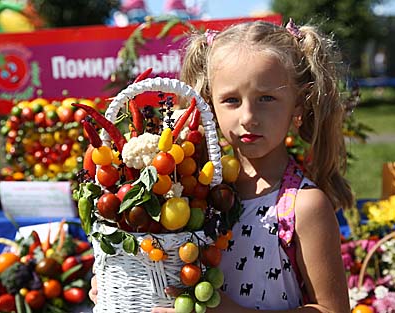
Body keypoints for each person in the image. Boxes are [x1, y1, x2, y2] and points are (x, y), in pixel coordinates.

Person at [90, 18, 353, 312]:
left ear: (299, 104)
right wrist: (119, 275)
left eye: (267, 98)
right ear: (208, 103)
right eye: (230, 100)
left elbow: (332, 309)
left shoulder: (302, 206)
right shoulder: (196, 189)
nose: (248, 117)